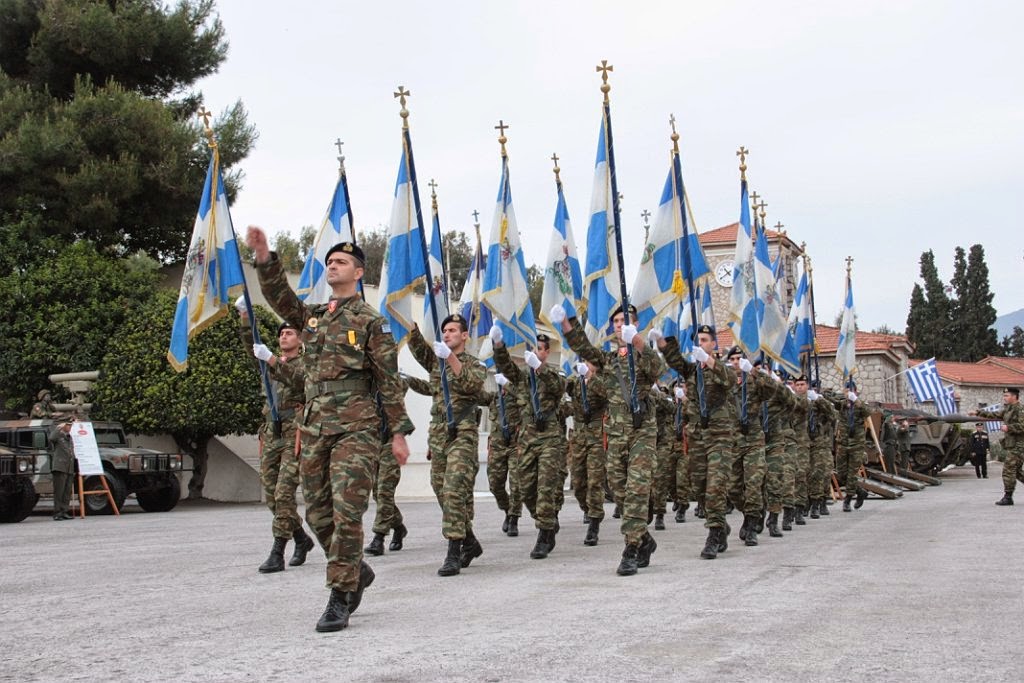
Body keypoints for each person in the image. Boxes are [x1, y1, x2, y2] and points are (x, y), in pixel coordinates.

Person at [248, 227, 413, 633]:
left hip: (356, 426)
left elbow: (389, 380)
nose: (332, 266)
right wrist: (266, 258)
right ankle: (356, 568)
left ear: (358, 273)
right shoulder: (316, 317)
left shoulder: (371, 322)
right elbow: (281, 300)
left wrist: (398, 432)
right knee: (318, 512)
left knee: (346, 512)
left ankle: (341, 594)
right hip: (316, 424)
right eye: (330, 262)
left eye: (340, 262)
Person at [555, 302, 664, 576]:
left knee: (638, 489)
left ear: (634, 324)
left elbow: (658, 368)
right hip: (616, 434)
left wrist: (638, 341)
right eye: (615, 321)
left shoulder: (642, 356)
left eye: (623, 321)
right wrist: (567, 324)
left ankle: (631, 547)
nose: (619, 325)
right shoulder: (610, 359)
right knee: (618, 489)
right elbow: (586, 349)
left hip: (641, 432)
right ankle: (645, 538)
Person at [239, 305, 317, 574]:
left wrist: (271, 360)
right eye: (281, 333)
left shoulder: (305, 363)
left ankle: (277, 551)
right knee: (272, 495)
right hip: (271, 431)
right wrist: (245, 319)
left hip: (294, 432)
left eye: (290, 333)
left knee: (284, 494)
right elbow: (251, 346)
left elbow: (300, 383)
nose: (284, 337)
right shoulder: (269, 362)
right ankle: (300, 538)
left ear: (300, 339)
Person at [408, 314, 486, 576]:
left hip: (463, 432)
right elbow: (419, 349)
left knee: (454, 489)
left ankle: (454, 551)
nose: (447, 334)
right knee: (440, 489)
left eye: (453, 330)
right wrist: (411, 327)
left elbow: (472, 384)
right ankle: (470, 541)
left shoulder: (475, 365)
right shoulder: (437, 363)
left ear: (464, 335)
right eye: (444, 331)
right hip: (439, 432)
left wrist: (450, 358)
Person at [653, 324, 736, 560]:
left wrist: (709, 361)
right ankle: (719, 523)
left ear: (713, 344)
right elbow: (675, 361)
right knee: (699, 486)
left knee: (715, 485)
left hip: (719, 434)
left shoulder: (721, 369)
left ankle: (714, 532)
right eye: (698, 340)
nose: (701, 344)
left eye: (705, 340)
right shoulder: (691, 371)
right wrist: (662, 342)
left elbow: (729, 380)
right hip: (697, 434)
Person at [491, 329, 566, 559]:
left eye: (542, 349)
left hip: (549, 437)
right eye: (534, 348)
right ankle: (546, 520)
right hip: (526, 436)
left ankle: (544, 534)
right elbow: (505, 366)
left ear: (547, 352)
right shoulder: (522, 377)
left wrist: (539, 368)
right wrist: (498, 345)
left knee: (545, 486)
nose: (537, 351)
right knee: (525, 488)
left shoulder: (555, 374)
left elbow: (558, 388)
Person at [364, 373, 430, 556]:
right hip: (371, 442)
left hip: (392, 441)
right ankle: (399, 526)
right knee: (377, 493)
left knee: (384, 490)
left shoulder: (393, 379)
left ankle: (379, 537)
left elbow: (402, 387)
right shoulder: (362, 382)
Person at [723, 347, 768, 547]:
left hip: (753, 440)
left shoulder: (755, 382)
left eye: (739, 358)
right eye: (732, 359)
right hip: (733, 441)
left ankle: (751, 524)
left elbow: (773, 390)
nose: (735, 362)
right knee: (732, 488)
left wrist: (754, 371)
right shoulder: (726, 383)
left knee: (753, 484)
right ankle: (750, 511)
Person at [565, 359, 608, 545]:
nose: (586, 365)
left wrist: (591, 376)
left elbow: (606, 393)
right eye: (584, 362)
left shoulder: (601, 382)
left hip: (596, 435)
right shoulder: (575, 383)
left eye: (590, 363)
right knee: (578, 481)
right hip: (579, 437)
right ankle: (587, 509)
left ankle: (594, 523)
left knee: (595, 481)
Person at [481, 373, 524, 537]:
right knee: (495, 484)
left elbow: (524, 397)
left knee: (516, 484)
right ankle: (507, 509)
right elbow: (476, 395)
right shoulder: (493, 398)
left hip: (515, 445)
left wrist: (507, 384)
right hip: (498, 446)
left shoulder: (518, 397)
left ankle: (514, 518)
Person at [971, 388, 1024, 505]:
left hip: (1019, 446)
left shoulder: (1020, 409)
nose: (1004, 397)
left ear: (1014, 396)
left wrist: (1009, 428)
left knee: (1008, 470)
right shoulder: (1007, 409)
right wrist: (978, 412)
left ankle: (1008, 497)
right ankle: (1008, 496)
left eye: (1007, 395)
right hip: (1011, 445)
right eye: (1004, 395)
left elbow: (1023, 425)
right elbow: (994, 414)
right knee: (1017, 472)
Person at [832, 380, 871, 512]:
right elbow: (831, 399)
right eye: (846, 390)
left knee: (852, 474)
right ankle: (860, 492)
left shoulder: (861, 404)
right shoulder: (842, 404)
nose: (848, 392)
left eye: (850, 390)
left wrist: (856, 401)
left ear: (855, 391)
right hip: (843, 443)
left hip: (856, 444)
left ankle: (847, 500)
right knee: (842, 473)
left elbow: (867, 412)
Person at [47, 417, 75, 520]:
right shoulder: (58, 436)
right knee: (59, 491)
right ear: (64, 425)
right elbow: (51, 438)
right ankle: (57, 512)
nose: (70, 427)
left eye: (71, 425)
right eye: (68, 425)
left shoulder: (69, 438)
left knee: (67, 491)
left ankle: (64, 511)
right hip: (60, 467)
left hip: (69, 468)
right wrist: (58, 428)